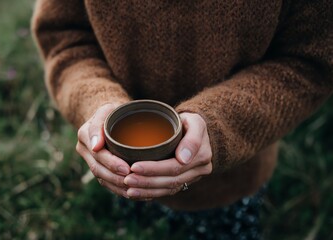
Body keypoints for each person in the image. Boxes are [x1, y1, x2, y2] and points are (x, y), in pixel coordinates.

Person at [31, 0, 332, 238]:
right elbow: (65, 39)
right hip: (121, 175)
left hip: (232, 183)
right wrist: (96, 102)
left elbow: (309, 59)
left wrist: (220, 125)